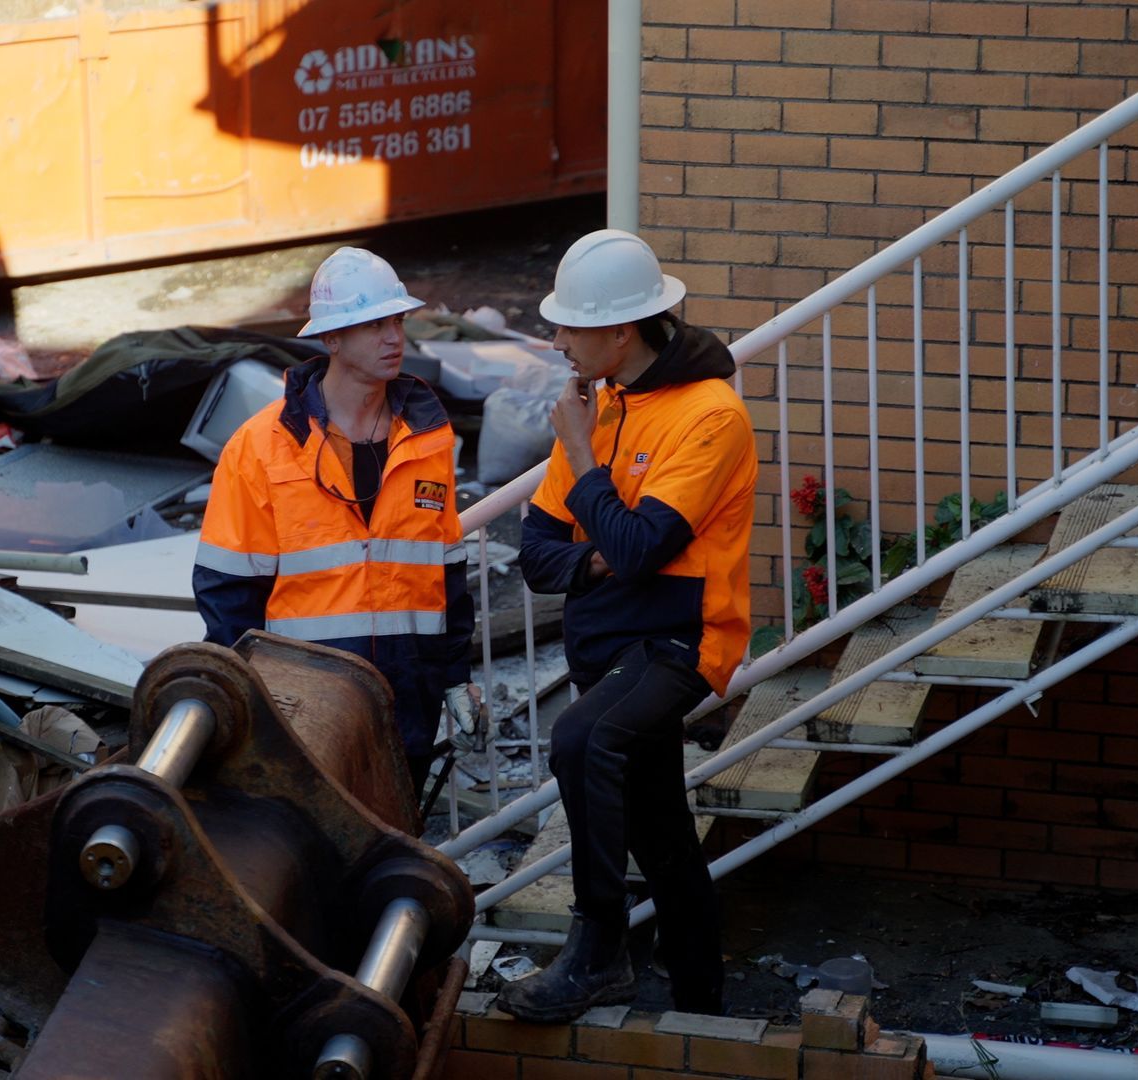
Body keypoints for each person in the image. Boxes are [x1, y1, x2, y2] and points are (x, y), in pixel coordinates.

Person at [498, 229, 757, 1022]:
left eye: (571, 326)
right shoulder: (602, 405)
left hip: (680, 639)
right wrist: (602, 552)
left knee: (581, 740)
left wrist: (584, 464)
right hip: (609, 642)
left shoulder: (710, 417)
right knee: (661, 832)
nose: (558, 340)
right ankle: (702, 1006)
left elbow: (642, 547)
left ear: (622, 330)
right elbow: (539, 554)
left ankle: (599, 949)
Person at [193, 247, 478, 798]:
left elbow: (447, 571)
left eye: (396, 320)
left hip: (405, 698)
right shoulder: (261, 446)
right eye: (372, 324)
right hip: (304, 707)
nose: (393, 337)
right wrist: (252, 707)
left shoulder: (427, 437)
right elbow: (227, 593)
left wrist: (455, 678)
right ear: (332, 340)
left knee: (392, 848)